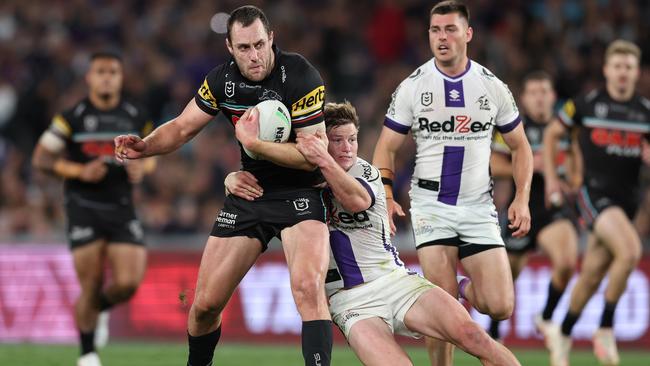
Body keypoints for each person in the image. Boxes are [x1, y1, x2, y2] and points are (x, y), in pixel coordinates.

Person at [113, 6, 332, 366]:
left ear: (272, 38)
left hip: (302, 193)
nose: (255, 55)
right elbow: (183, 127)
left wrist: (257, 146)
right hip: (251, 191)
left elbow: (313, 156)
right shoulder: (222, 81)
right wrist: (146, 145)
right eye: (244, 48)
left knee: (308, 288)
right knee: (203, 306)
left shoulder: (300, 76)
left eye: (260, 44)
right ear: (230, 48)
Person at [226, 101, 522, 366]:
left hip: (393, 282)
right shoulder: (293, 183)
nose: (347, 148)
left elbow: (356, 201)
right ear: (319, 140)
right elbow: (256, 191)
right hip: (350, 304)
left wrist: (323, 160)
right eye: (337, 140)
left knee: (475, 337)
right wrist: (232, 179)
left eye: (352, 140)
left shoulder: (364, 173)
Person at [371, 2, 533, 364]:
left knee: (500, 305)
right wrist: (385, 193)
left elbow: (522, 147)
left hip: (478, 208)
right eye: (435, 30)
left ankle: (459, 288)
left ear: (468, 34)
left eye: (450, 29)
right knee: (442, 311)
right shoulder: (414, 86)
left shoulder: (492, 87)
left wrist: (522, 198)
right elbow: (386, 146)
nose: (441, 38)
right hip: (432, 208)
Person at [32, 51, 154, 366]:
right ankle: (87, 353)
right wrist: (78, 172)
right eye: (100, 71)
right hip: (83, 206)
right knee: (91, 282)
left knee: (127, 284)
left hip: (122, 207)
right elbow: (41, 159)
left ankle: (95, 309)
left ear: (121, 77)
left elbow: (152, 152)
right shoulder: (71, 117)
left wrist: (144, 168)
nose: (106, 77)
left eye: (113, 71)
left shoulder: (136, 115)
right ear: (89, 77)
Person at [543, 40, 650, 366]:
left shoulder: (645, 112)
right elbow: (551, 134)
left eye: (628, 67)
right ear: (606, 70)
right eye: (617, 67)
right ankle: (605, 327)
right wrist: (552, 179)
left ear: (636, 72)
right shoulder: (586, 105)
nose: (622, 73)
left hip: (627, 202)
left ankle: (563, 330)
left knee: (591, 275)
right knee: (630, 251)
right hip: (593, 195)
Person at [488, 71, 580, 341]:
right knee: (507, 281)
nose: (540, 98)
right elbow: (493, 164)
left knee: (565, 263)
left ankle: (547, 316)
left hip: (553, 210)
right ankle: (495, 332)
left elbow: (576, 170)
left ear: (553, 97)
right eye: (534, 93)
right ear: (524, 99)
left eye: (544, 92)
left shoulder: (564, 128)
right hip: (521, 208)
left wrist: (568, 178)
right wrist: (531, 166)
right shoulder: (514, 128)